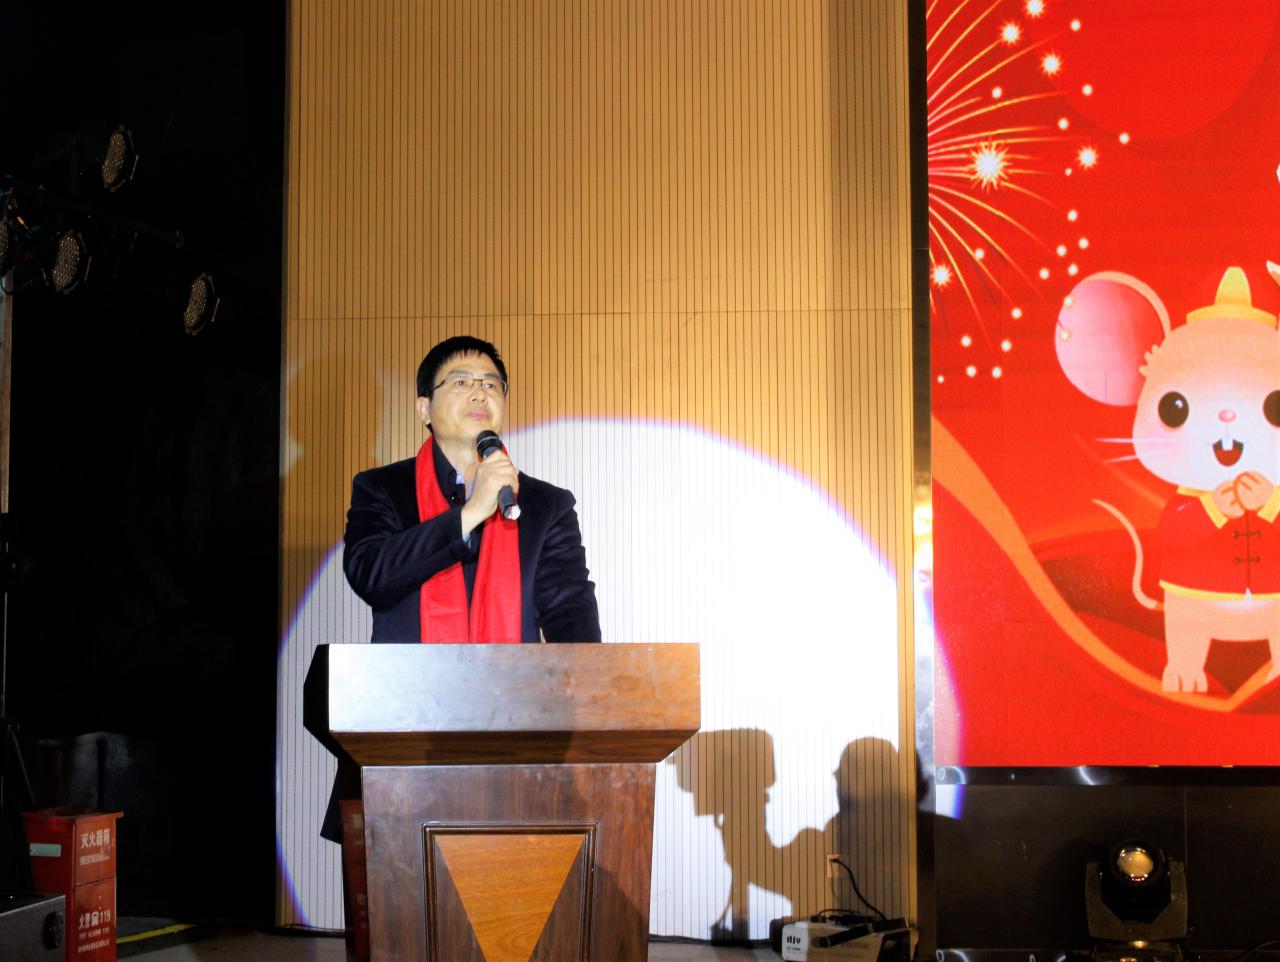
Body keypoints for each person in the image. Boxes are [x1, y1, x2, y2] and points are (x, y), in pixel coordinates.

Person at [321, 335, 601, 842]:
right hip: (399, 743)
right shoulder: (382, 489)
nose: (479, 392)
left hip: (516, 748)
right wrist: (471, 513)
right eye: (461, 382)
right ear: (423, 408)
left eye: (491, 384)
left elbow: (574, 624)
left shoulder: (545, 505)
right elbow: (371, 575)